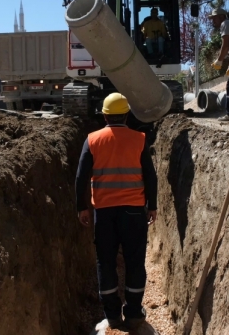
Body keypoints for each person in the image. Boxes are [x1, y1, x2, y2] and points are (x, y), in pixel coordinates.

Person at [75, 93, 158, 329]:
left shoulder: (92, 140)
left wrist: (82, 207)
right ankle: (133, 312)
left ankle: (112, 314)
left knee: (106, 262)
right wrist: (152, 205)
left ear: (104, 115)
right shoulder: (139, 139)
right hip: (133, 212)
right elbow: (150, 176)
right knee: (134, 261)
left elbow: (81, 177)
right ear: (127, 115)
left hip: (104, 212)